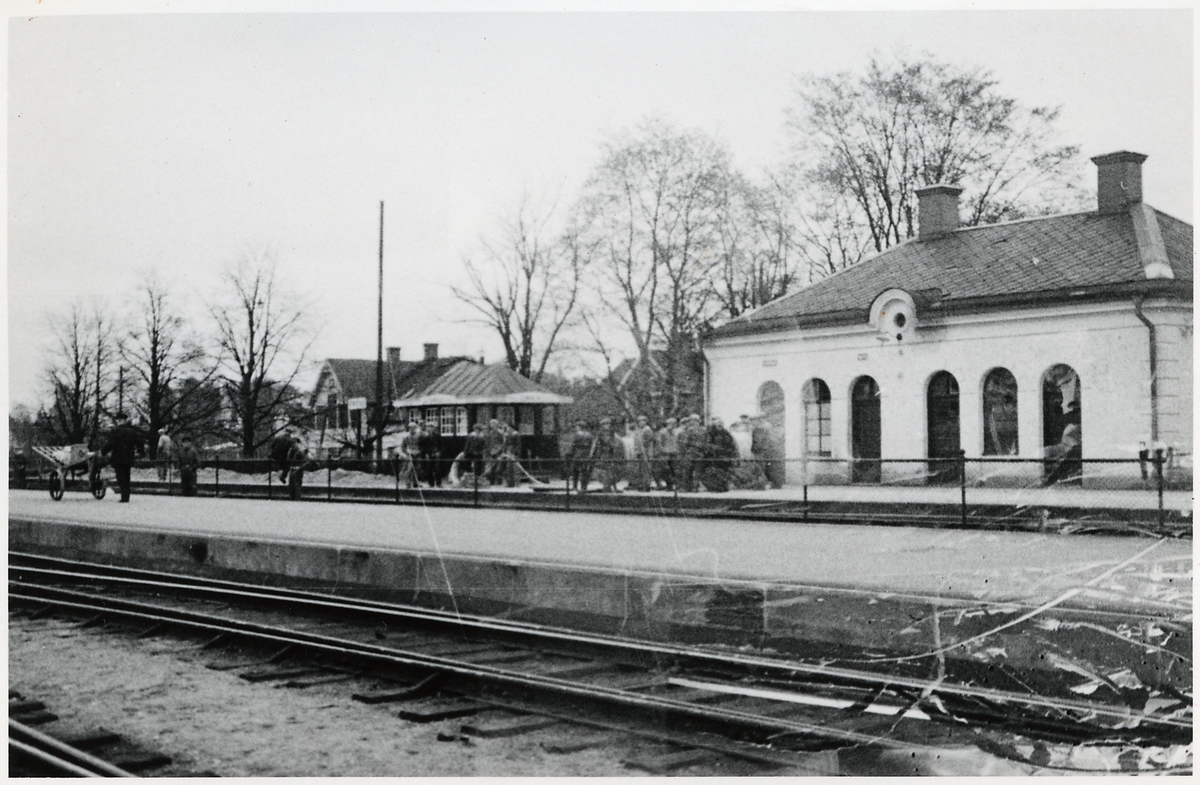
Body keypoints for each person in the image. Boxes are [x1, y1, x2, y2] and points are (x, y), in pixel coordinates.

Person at [102, 412, 143, 503]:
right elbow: (140, 442)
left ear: (119, 421)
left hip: (118, 457)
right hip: (129, 457)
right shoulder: (132, 431)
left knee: (120, 477)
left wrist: (102, 452)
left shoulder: (115, 431)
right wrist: (140, 452)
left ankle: (124, 496)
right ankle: (126, 496)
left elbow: (110, 444)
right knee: (127, 476)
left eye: (118, 420)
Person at [701, 416, 740, 493]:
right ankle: (714, 486)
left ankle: (723, 485)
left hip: (724, 456)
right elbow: (706, 443)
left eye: (721, 424)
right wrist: (713, 448)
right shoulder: (710, 433)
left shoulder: (726, 433)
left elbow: (732, 444)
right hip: (713, 456)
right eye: (718, 424)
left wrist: (732, 453)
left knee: (724, 471)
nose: (720, 426)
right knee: (714, 471)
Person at [677, 414, 708, 492]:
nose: (690, 422)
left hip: (690, 452)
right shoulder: (704, 430)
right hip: (700, 452)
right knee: (697, 471)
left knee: (687, 471)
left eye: (691, 420)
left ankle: (686, 487)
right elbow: (706, 441)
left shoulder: (689, 430)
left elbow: (686, 442)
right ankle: (695, 487)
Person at [593, 417, 624, 493]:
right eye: (605, 424)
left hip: (610, 455)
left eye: (607, 424)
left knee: (610, 471)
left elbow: (616, 443)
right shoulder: (603, 434)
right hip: (606, 454)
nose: (607, 426)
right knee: (607, 471)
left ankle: (609, 486)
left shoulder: (610, 434)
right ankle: (608, 486)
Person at [566, 420, 596, 492]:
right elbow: (592, 445)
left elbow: (573, 445)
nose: (576, 428)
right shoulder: (590, 435)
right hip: (586, 454)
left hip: (578, 453)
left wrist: (570, 453)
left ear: (579, 427)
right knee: (584, 471)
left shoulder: (577, 434)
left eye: (577, 426)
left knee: (575, 470)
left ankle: (575, 486)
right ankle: (583, 487)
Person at [629, 415, 654, 492]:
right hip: (640, 452)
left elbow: (646, 442)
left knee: (645, 470)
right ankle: (641, 485)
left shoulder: (647, 430)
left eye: (643, 421)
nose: (641, 423)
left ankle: (646, 486)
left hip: (645, 452)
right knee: (640, 470)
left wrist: (642, 449)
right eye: (639, 421)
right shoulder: (640, 430)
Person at [655, 417, 678, 491]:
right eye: (673, 424)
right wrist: (663, 450)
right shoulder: (663, 432)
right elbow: (659, 443)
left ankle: (671, 485)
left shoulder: (674, 432)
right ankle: (669, 485)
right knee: (666, 470)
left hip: (672, 454)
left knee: (673, 470)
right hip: (665, 454)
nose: (674, 426)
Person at [419, 423, 444, 488]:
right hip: (428, 454)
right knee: (429, 469)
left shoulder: (437, 435)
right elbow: (422, 445)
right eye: (428, 427)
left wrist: (439, 452)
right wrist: (425, 453)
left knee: (437, 468)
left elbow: (441, 444)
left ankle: (439, 483)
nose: (429, 428)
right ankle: (431, 483)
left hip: (436, 453)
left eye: (431, 427)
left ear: (433, 428)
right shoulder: (424, 436)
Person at [398, 421, 422, 488]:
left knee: (417, 469)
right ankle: (408, 483)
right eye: (410, 428)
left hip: (417, 453)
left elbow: (421, 444)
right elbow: (403, 446)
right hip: (409, 453)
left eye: (413, 427)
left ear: (415, 428)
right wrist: (406, 452)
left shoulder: (418, 436)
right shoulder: (406, 436)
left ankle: (416, 483)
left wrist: (420, 451)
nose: (412, 429)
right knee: (409, 469)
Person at [484, 419, 506, 485]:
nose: (491, 425)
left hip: (498, 451)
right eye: (490, 424)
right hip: (490, 451)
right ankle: (491, 482)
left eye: (493, 424)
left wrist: (500, 450)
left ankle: (498, 482)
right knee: (490, 467)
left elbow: (503, 442)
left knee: (498, 468)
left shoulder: (500, 433)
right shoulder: (489, 433)